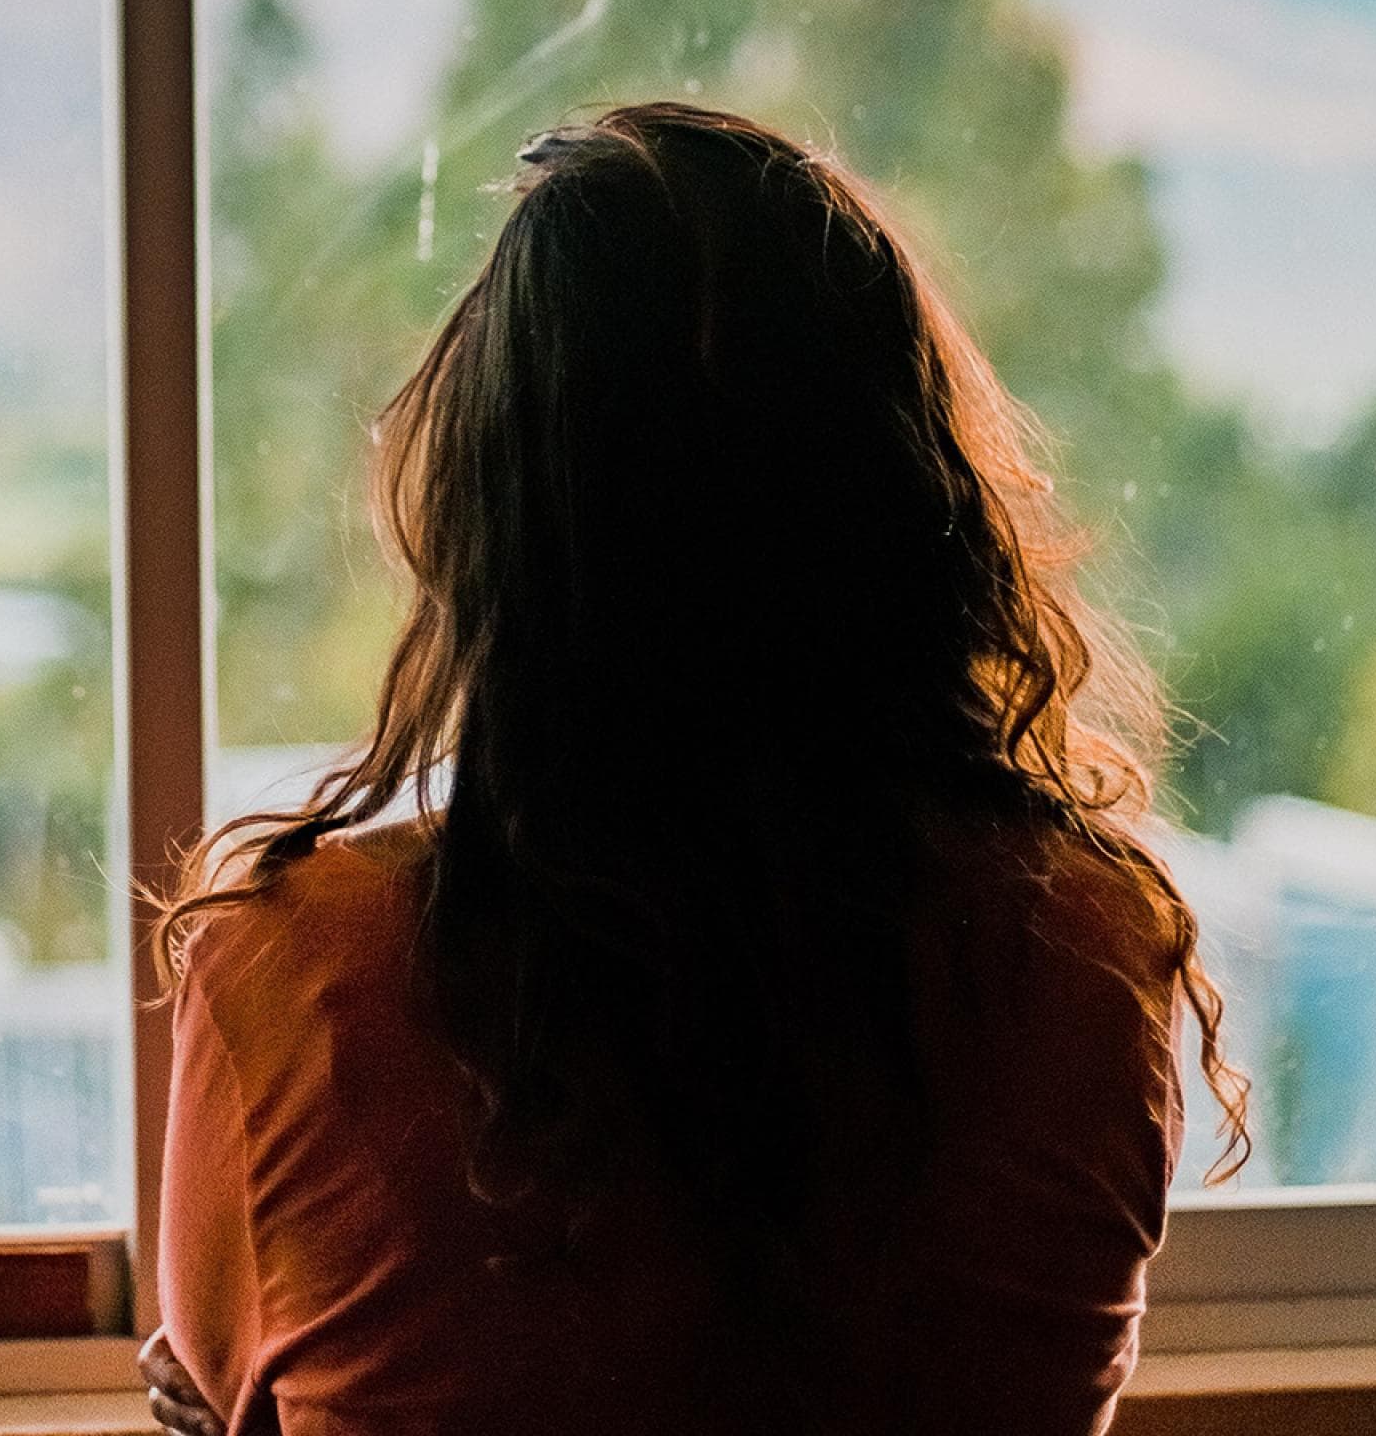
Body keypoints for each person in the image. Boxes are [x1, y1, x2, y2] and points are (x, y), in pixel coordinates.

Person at [140, 103, 1250, 1436]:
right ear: (904, 507)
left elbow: (219, 1384)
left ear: (496, 526)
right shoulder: (1089, 953)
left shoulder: (301, 973)